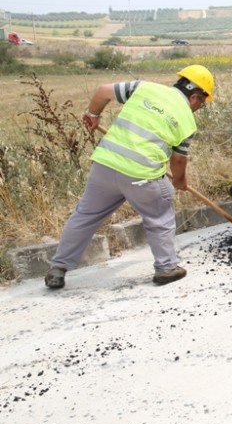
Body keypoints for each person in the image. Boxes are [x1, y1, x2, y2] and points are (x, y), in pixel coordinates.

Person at [44, 65, 215, 289]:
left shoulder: (143, 87)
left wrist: (93, 115)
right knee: (160, 215)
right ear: (194, 96)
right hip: (141, 176)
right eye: (202, 104)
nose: (199, 108)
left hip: (105, 166)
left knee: (85, 216)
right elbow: (178, 161)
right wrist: (180, 181)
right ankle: (166, 268)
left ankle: (58, 268)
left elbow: (103, 90)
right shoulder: (187, 121)